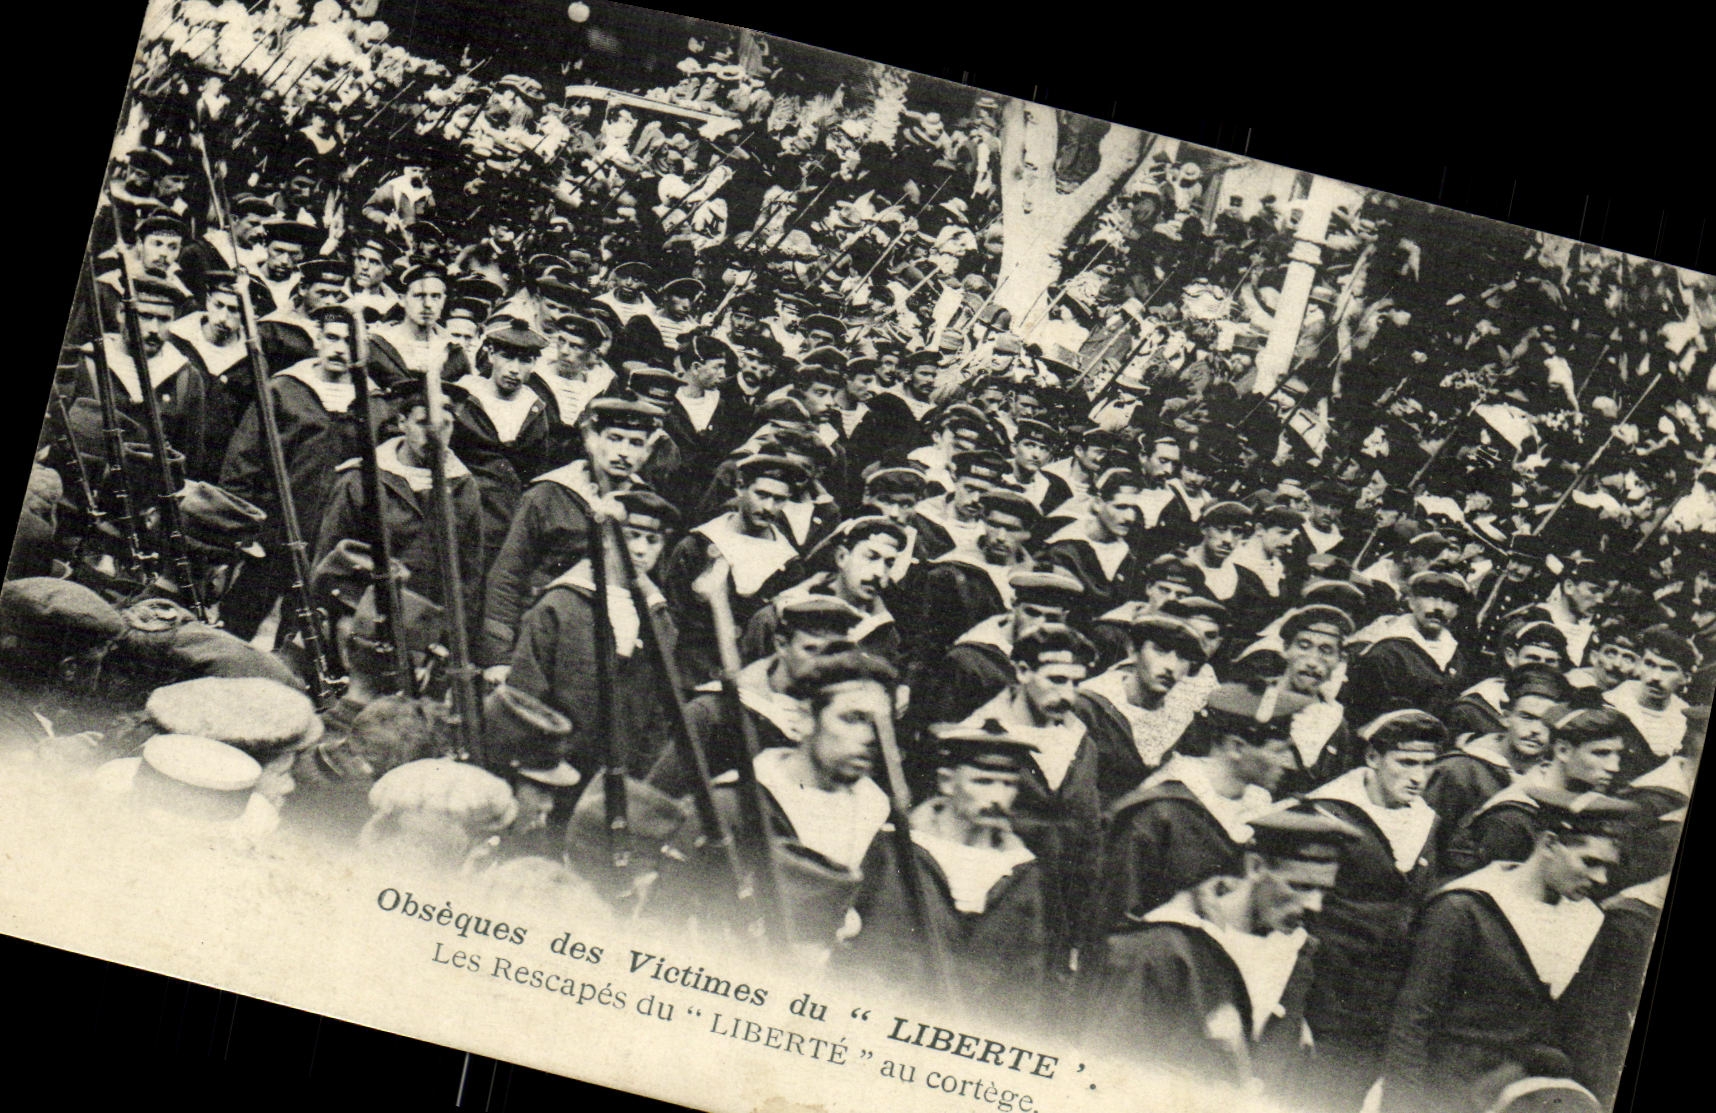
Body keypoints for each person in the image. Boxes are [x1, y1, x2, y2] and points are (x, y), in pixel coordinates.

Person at [1381, 793, 1640, 1113]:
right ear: (1548, 844)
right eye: (1590, 862)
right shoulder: (1464, 908)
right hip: (1451, 1091)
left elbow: (1589, 1031)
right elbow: (1412, 1021)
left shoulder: (1589, 920)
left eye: (1608, 868)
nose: (1601, 879)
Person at [1082, 804, 1361, 1093]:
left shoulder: (1296, 955)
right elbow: (1104, 1075)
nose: (1313, 905)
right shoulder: (1160, 949)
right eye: (1299, 886)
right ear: (1255, 867)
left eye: (1323, 892)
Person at [844, 719, 1050, 1022]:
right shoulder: (898, 851)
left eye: (1008, 785)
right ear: (946, 783)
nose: (997, 798)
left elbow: (1026, 979)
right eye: (982, 782)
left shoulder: (1022, 870)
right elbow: (873, 955)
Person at [1303, 710, 1448, 1108]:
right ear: (1372, 758)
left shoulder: (1425, 822)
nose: (1419, 777)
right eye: (1406, 762)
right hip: (1327, 1000)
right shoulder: (1327, 815)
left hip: (1386, 1007)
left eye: (1428, 764)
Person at [1097, 679, 1311, 938]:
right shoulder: (1159, 812)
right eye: (1278, 751)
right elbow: (1115, 917)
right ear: (1236, 748)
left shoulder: (1261, 810)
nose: (1288, 764)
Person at [219, 303, 378, 640]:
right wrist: (245, 530)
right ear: (317, 340)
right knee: (238, 619)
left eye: (349, 341)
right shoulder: (283, 390)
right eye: (332, 338)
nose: (339, 348)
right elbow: (244, 459)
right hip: (273, 531)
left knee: (305, 634)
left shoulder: (372, 403)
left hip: (329, 543)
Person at [504, 491, 681, 784]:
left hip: (621, 775)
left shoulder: (658, 619)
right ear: (608, 538)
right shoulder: (561, 604)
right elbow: (526, 691)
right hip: (555, 768)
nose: (640, 550)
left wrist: (641, 775)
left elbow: (660, 709)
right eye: (632, 535)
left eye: (653, 541)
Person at [480, 395, 663, 675]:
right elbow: (508, 576)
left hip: (613, 646)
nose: (624, 452)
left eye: (635, 443)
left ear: (647, 453)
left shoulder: (646, 506)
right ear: (592, 440)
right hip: (545, 635)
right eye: (615, 438)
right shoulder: (547, 495)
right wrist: (499, 658)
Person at [314, 377, 486, 625]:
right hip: (361, 621)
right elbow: (329, 560)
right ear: (402, 422)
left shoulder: (463, 486)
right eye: (422, 423)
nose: (433, 434)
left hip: (426, 627)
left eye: (444, 425)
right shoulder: (363, 479)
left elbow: (469, 575)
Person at [662, 453, 808, 685]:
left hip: (751, 681)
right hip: (690, 676)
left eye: (779, 499)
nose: (768, 507)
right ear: (740, 488)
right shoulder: (696, 547)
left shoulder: (789, 565)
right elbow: (671, 619)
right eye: (761, 495)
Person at [1444, 708, 1631, 878]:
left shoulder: (1586, 803)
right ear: (1563, 751)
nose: (1614, 767)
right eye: (1601, 753)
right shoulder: (1513, 817)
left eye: (1618, 755)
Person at [1423, 664, 1570, 860]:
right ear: (1506, 717)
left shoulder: (1552, 778)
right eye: (1527, 717)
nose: (1536, 730)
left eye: (1546, 723)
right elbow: (1426, 843)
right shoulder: (1459, 770)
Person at [447, 323, 556, 573]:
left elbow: (535, 472)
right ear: (491, 354)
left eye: (524, 361)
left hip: (507, 522)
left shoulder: (536, 410)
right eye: (507, 357)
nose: (514, 369)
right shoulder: (462, 398)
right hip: (461, 513)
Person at [1344, 570, 1471, 729]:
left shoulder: (1455, 656)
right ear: (1411, 602)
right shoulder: (1386, 650)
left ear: (1456, 610)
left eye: (1447, 600)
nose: (1439, 607)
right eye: (1430, 597)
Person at [1601, 623, 1696, 782]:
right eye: (1650, 664)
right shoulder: (1609, 704)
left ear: (1685, 678)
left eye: (1668, 669)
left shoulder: (1688, 719)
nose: (1655, 677)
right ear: (1639, 665)